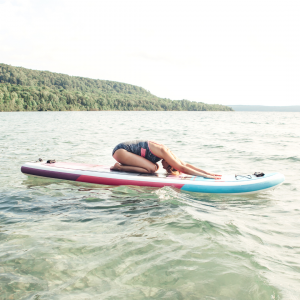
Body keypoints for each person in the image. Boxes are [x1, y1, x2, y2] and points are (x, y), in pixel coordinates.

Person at [110, 140, 220, 179]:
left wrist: (208, 172)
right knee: (152, 169)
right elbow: (182, 168)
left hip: (123, 153)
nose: (164, 167)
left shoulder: (170, 154)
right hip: (121, 151)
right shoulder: (164, 151)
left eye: (166, 168)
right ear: (169, 161)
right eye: (167, 166)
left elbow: (185, 164)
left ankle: (120, 166)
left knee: (154, 167)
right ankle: (119, 167)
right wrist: (205, 176)